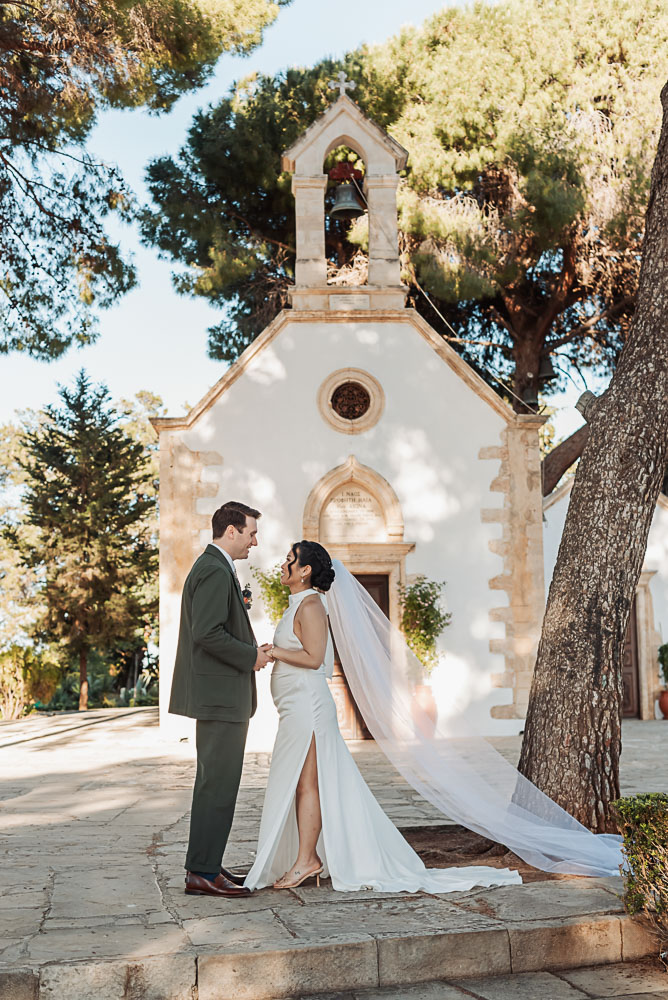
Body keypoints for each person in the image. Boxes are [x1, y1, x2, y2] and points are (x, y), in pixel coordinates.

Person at [243, 540, 521, 893]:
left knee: (307, 784)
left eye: (289, 560)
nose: (283, 565)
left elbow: (314, 658)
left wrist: (273, 652)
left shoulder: (312, 605)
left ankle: (307, 860)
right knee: (303, 783)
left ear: (305, 570)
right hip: (295, 707)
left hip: (308, 708)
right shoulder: (298, 603)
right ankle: (307, 857)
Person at [169, 501, 272, 898]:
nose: (254, 541)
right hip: (220, 697)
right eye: (251, 533)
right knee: (218, 785)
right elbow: (208, 634)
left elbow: (217, 629)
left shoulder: (215, 567)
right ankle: (202, 872)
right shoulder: (213, 569)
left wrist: (252, 649)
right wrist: (251, 657)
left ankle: (207, 865)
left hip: (221, 695)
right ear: (231, 531)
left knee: (218, 784)